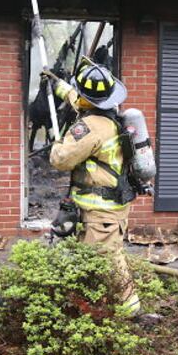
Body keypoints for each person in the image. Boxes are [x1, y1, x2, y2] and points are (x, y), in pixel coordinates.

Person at [48, 60, 140, 315]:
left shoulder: (90, 128)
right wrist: (60, 87)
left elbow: (60, 159)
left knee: (105, 261)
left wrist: (58, 142)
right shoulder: (109, 114)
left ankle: (127, 313)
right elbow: (80, 99)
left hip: (100, 212)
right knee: (104, 257)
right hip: (110, 206)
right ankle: (101, 310)